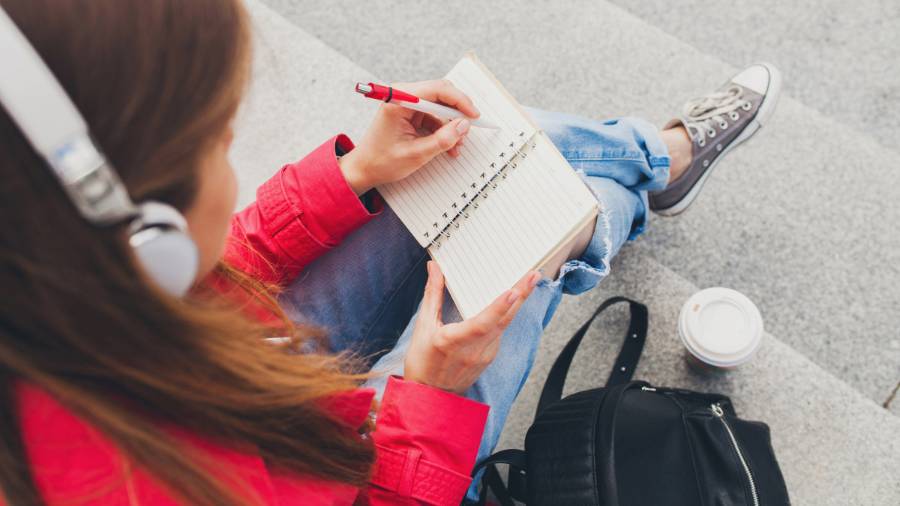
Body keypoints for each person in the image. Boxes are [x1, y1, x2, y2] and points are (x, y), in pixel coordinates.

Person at [0, 0, 780, 505]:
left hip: (252, 380)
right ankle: (650, 170)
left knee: (468, 151)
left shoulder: (48, 280)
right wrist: (431, 396)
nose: (233, 140)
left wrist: (354, 174)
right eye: (211, 138)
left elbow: (217, 277)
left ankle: (641, 172)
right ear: (147, 233)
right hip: (380, 479)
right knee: (529, 251)